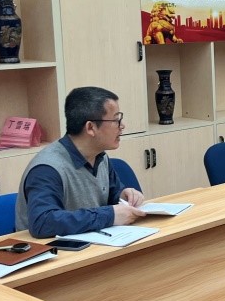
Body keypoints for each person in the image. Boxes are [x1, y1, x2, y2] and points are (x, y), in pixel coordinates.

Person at [16, 86, 146, 237]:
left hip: (93, 242)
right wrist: (109, 215)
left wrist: (123, 195)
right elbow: (43, 223)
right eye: (116, 120)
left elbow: (111, 195)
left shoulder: (100, 156)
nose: (122, 126)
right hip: (52, 249)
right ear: (90, 127)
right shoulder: (47, 169)